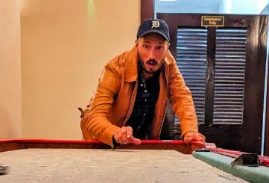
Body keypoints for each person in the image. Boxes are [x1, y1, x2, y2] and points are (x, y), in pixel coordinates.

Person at [80, 19, 207, 148]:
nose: (152, 55)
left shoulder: (169, 66)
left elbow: (182, 97)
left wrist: (190, 131)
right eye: (146, 46)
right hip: (105, 141)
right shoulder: (115, 68)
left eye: (159, 47)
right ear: (136, 45)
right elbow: (94, 116)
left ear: (167, 47)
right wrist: (116, 133)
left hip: (139, 142)